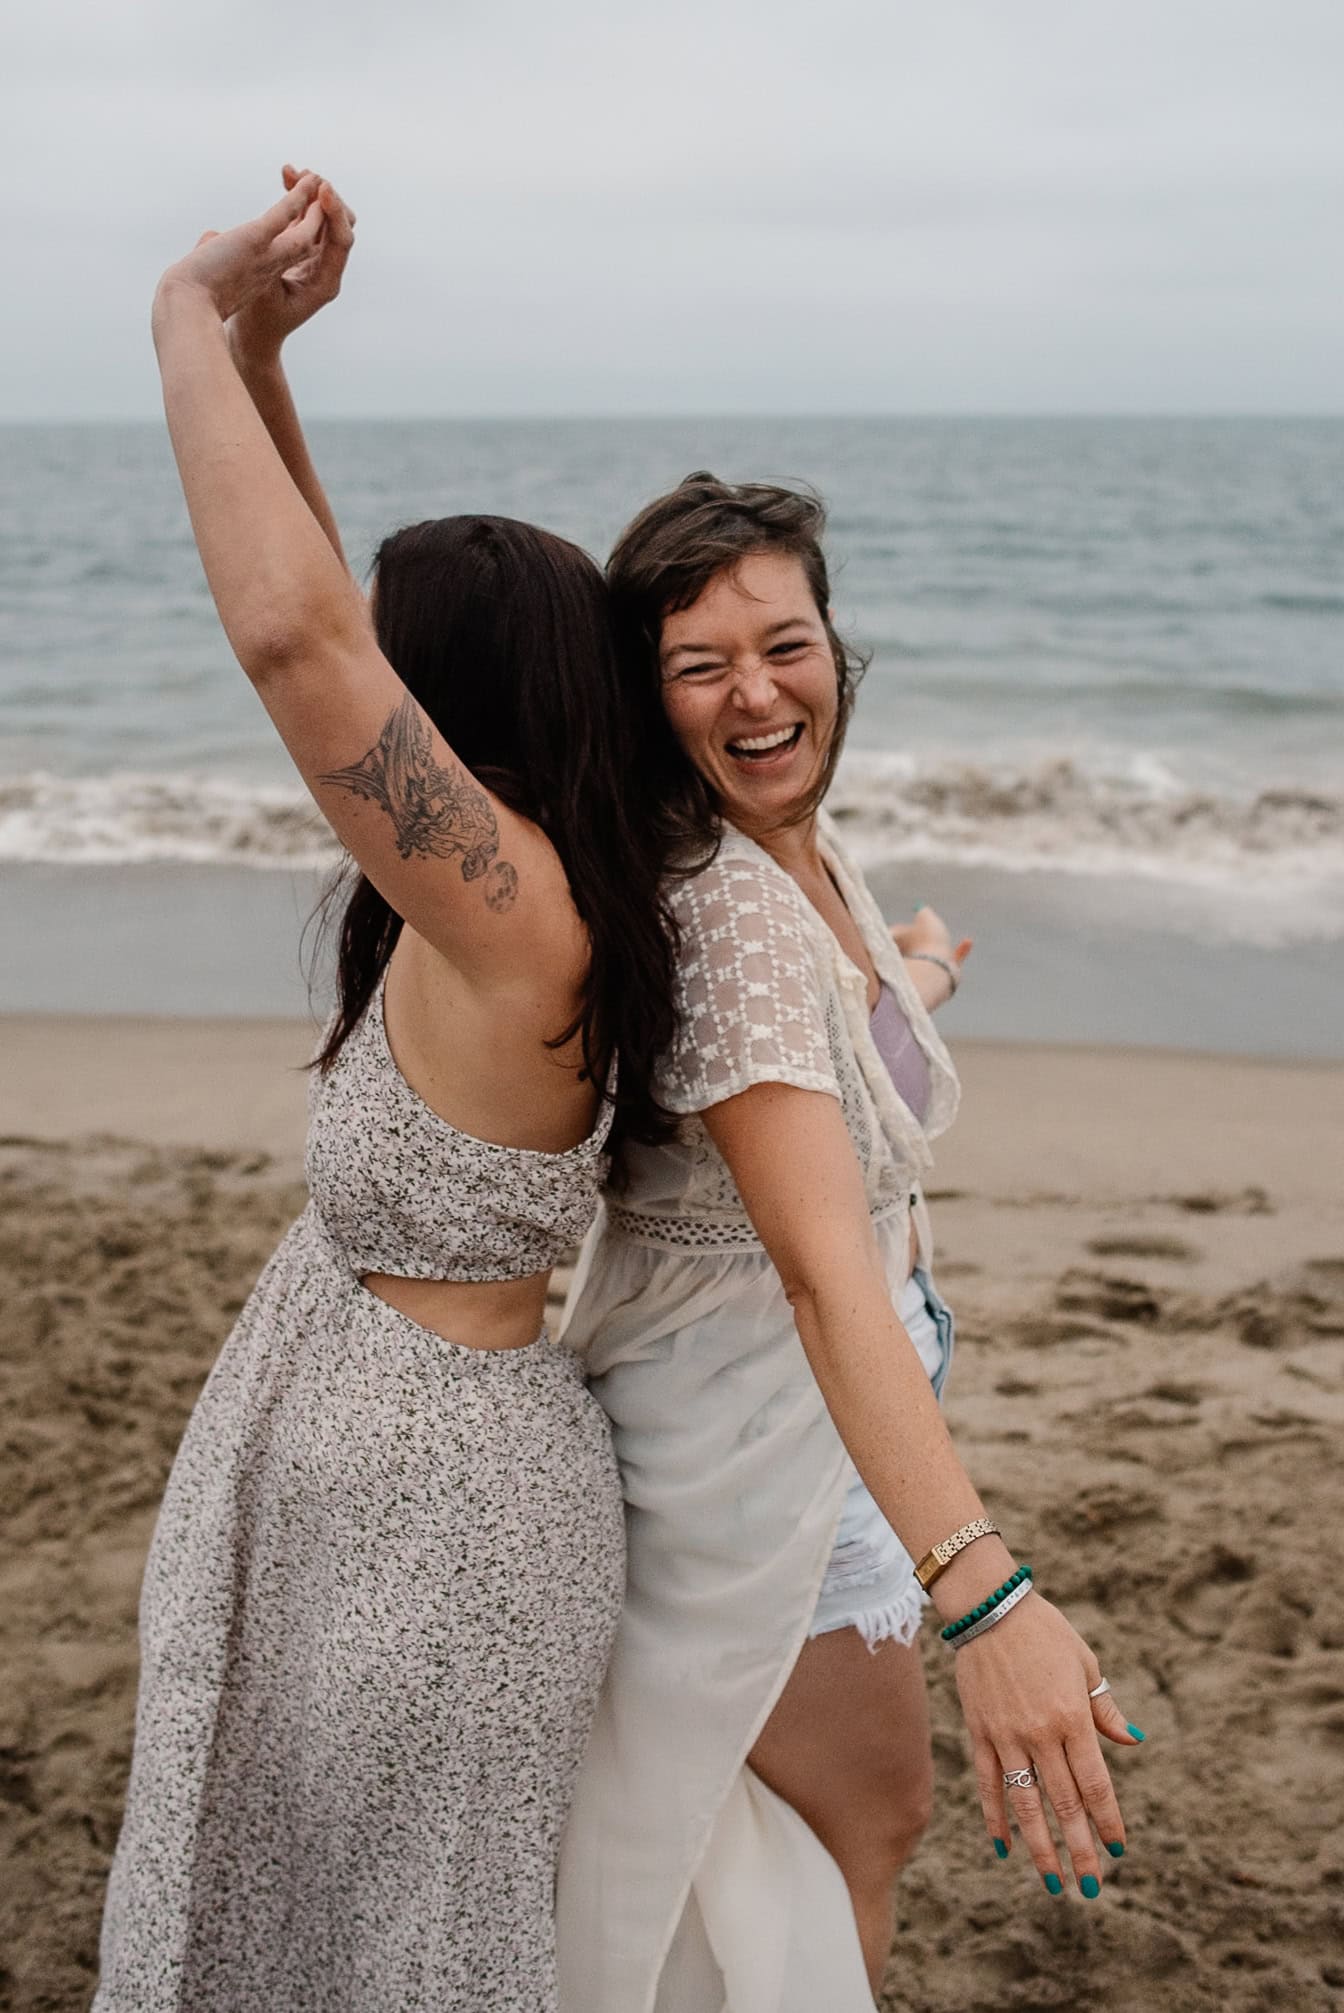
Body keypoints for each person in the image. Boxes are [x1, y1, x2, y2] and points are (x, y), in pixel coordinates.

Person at [96, 177, 679, 2013]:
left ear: (448, 703)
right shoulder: (495, 885)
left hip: (440, 1534)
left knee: (390, 1961)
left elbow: (300, 643)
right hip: (389, 1490)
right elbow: (334, 619)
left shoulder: (511, 918)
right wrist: (270, 364)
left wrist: (185, 314)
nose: (366, 680)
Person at [555, 475, 1143, 2011]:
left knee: (783, 1849)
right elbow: (820, 1265)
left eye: (787, 641)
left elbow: (803, 1076)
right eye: (699, 664)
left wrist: (920, 973)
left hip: (805, 1431)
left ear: (838, 652)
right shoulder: (734, 909)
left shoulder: (789, 858)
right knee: (852, 1833)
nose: (757, 689)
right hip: (764, 1465)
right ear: (647, 694)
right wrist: (991, 1597)